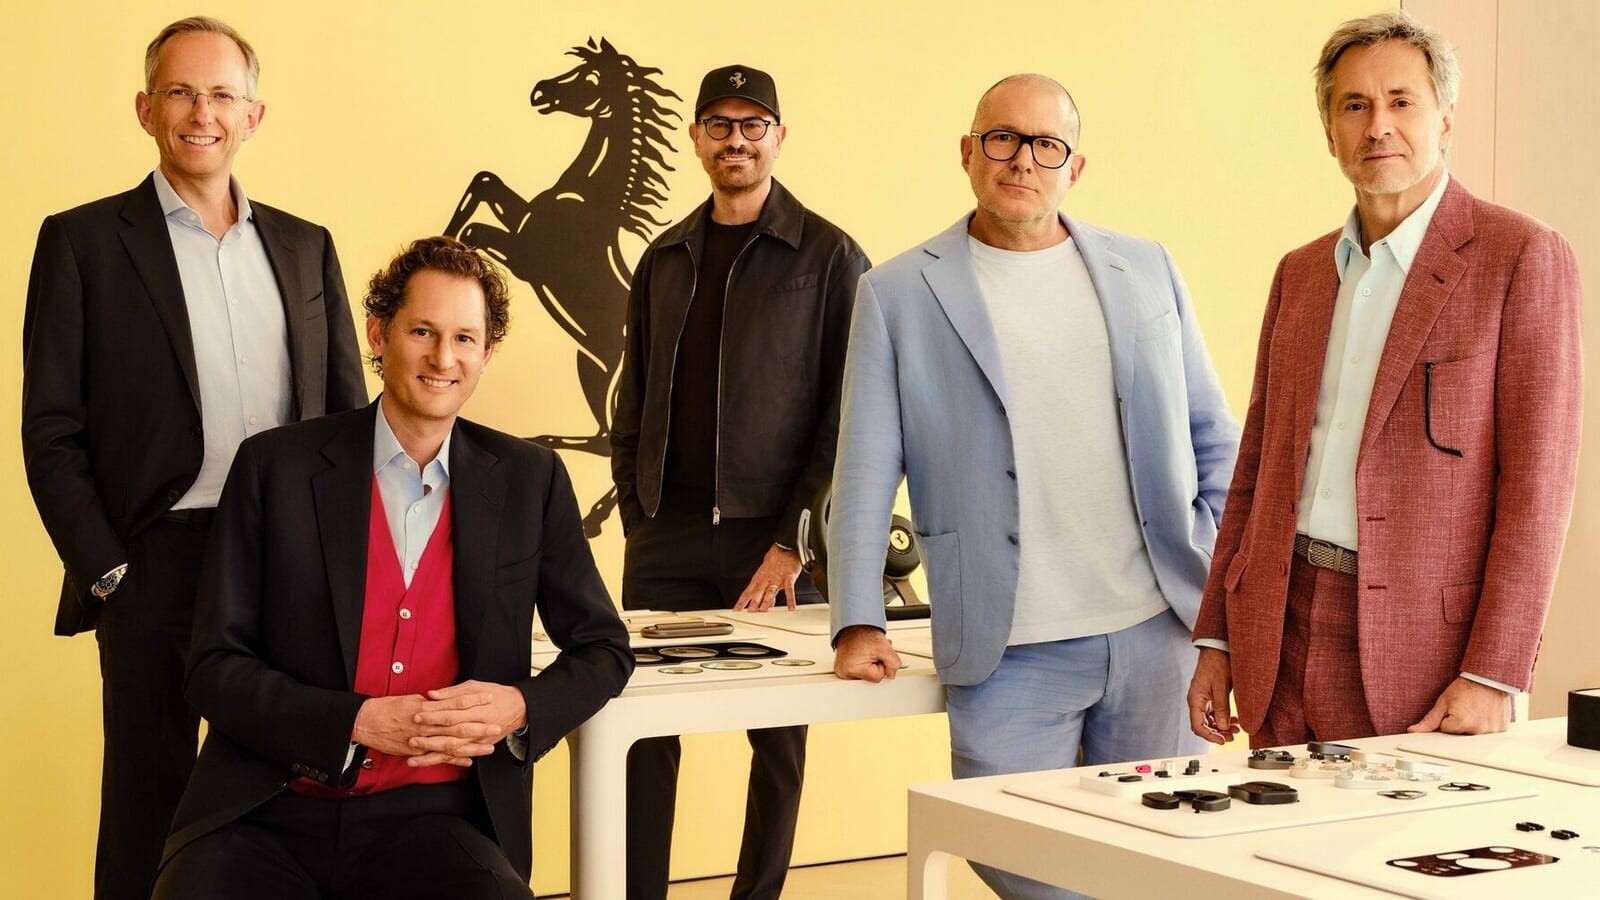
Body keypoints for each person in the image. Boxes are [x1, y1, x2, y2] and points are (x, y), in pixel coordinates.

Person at [829, 73, 1239, 898]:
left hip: (1157, 630)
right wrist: (858, 618)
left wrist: (1226, 605)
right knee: (1015, 851)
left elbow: (1213, 438)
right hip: (1008, 641)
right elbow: (865, 468)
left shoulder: (1146, 267)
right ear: (968, 152)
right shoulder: (897, 293)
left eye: (1047, 145)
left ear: (1074, 167)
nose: (1023, 159)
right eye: (1004, 139)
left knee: (1166, 851)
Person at [151, 236, 634, 898]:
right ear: (378, 334)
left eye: (465, 339)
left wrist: (520, 707)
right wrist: (355, 722)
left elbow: (604, 649)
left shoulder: (532, 480)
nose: (443, 358)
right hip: (267, 810)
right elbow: (213, 667)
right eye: (423, 331)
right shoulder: (274, 467)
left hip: (436, 819)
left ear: (487, 353)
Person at [19, 17, 366, 899]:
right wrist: (108, 574)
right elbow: (50, 430)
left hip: (288, 560)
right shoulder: (83, 243)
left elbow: (345, 423)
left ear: (254, 115)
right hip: (155, 562)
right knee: (150, 800)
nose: (201, 113)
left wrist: (344, 563)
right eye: (179, 92)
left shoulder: (306, 245)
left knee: (286, 795)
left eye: (220, 94)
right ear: (146, 110)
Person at [1187, 10, 1583, 749]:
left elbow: (1538, 489)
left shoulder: (1520, 257)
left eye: (1402, 101)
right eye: (1355, 105)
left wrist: (1495, 673)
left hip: (1424, 657)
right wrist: (1217, 637)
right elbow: (1254, 472)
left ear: (1446, 118)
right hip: (1277, 631)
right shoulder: (1300, 274)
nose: (1379, 127)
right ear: (1329, 130)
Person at [610, 64, 871, 900]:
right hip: (667, 537)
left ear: (778, 138)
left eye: (753, 125)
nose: (736, 140)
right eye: (719, 124)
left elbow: (849, 415)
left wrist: (794, 543)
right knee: (642, 733)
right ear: (696, 138)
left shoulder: (830, 256)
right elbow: (634, 392)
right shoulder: (664, 257)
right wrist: (638, 512)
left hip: (772, 541)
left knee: (778, 741)